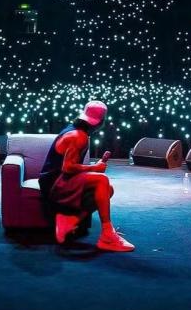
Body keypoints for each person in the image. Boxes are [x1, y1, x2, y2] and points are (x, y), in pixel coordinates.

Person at [39, 100, 135, 252]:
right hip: (53, 184)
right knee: (102, 180)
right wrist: (94, 168)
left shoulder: (76, 131)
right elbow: (68, 167)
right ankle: (107, 236)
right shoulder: (79, 136)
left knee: (107, 190)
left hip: (59, 180)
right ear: (100, 122)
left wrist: (93, 169)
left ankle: (69, 222)